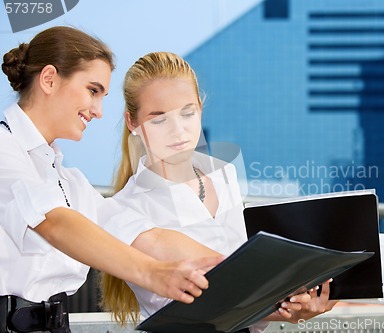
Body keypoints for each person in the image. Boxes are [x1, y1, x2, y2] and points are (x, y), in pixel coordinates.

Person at [0, 27, 223, 333]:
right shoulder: (4, 150)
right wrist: (153, 273)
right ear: (49, 79)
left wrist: (241, 271)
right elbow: (54, 222)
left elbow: (146, 236)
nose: (99, 111)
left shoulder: (68, 181)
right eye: (93, 90)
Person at [99, 51, 338, 331]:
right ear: (133, 123)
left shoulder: (224, 175)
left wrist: (295, 308)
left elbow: (246, 293)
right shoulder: (126, 208)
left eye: (187, 113)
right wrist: (282, 301)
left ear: (200, 108)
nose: (178, 131)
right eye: (159, 118)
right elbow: (206, 306)